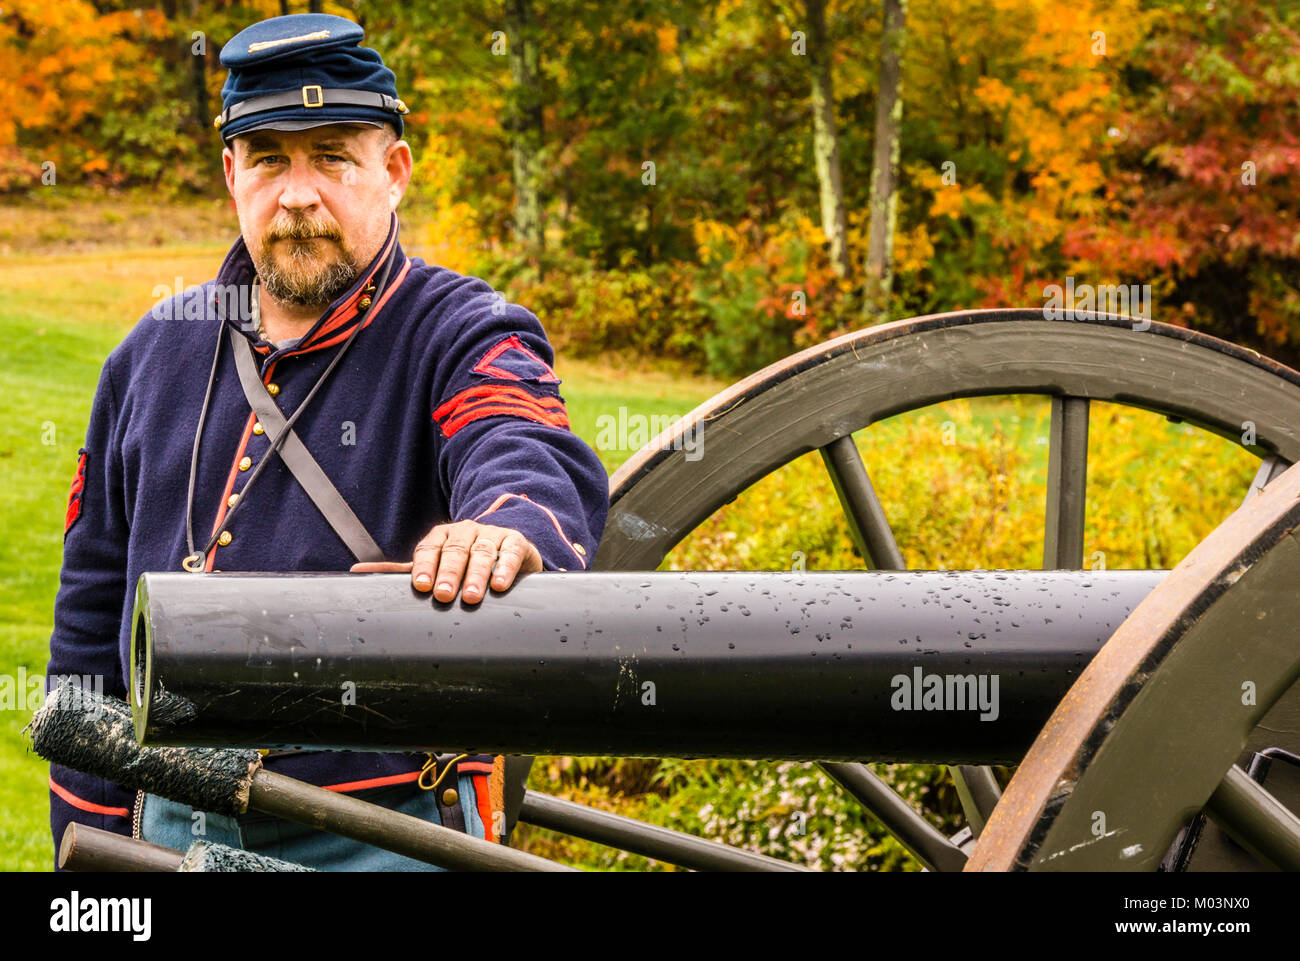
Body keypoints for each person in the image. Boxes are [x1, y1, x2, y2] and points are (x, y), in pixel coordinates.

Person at [45, 12, 609, 870]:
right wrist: (89, 828)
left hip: (385, 831)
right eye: (269, 157)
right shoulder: (150, 354)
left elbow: (519, 440)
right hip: (167, 824)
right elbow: (90, 617)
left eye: (333, 158)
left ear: (395, 172)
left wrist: (507, 523)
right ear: (232, 173)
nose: (298, 193)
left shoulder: (463, 329)